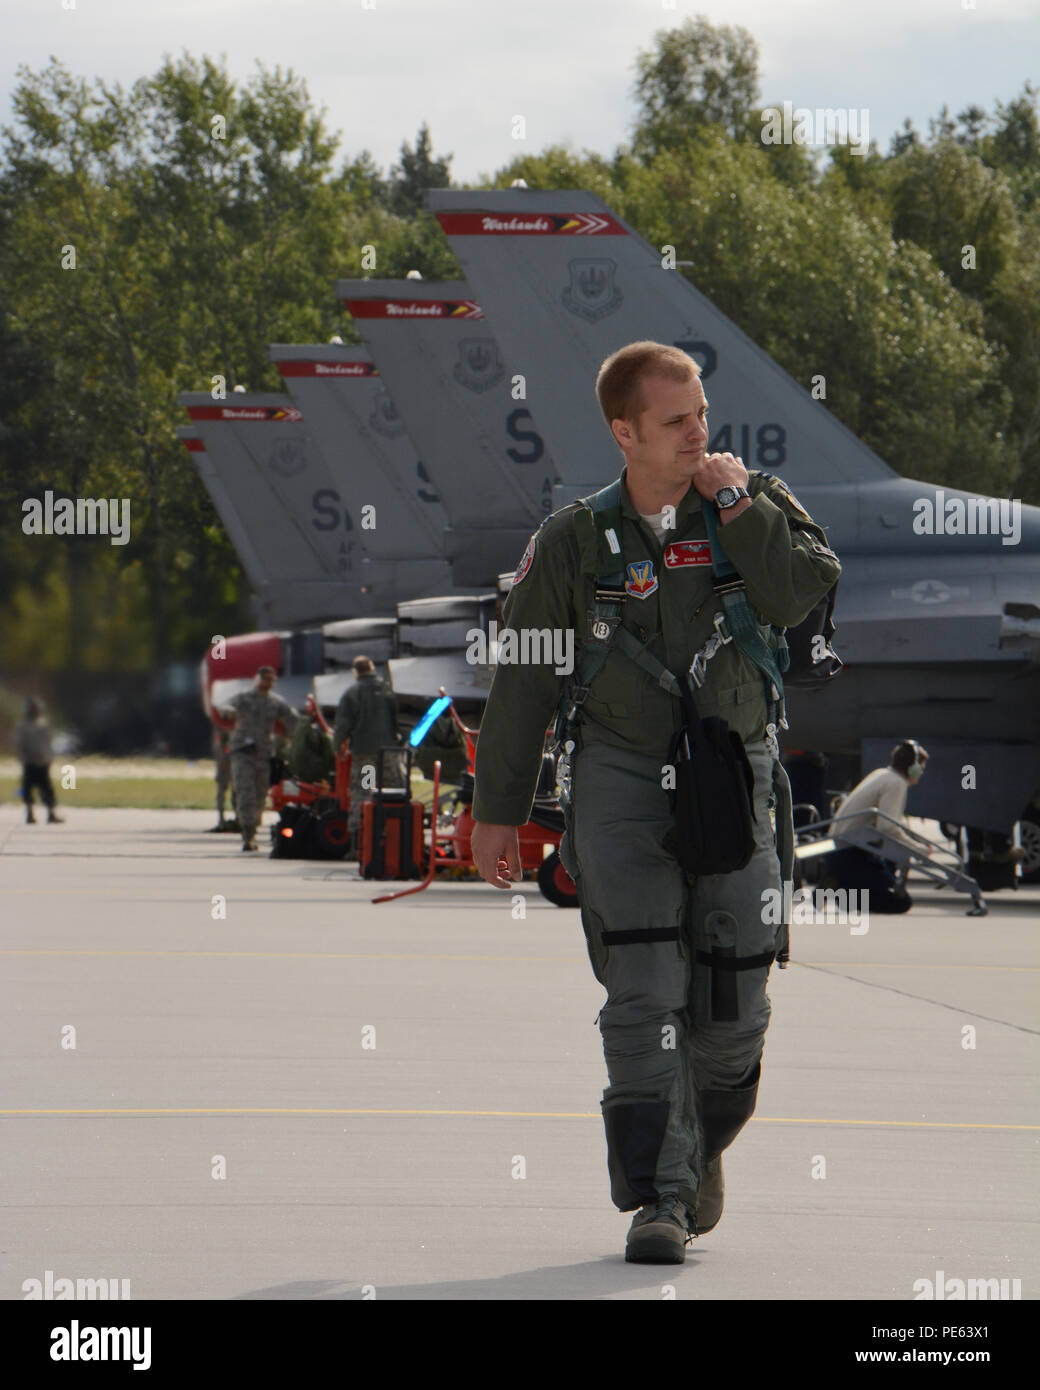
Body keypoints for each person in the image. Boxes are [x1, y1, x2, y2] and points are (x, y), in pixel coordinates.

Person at [470, 341, 841, 1264]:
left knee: (737, 999)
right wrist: (495, 811)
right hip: (620, 779)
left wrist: (734, 503)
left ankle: (696, 1146)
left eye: (701, 416)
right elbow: (521, 683)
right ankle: (659, 1199)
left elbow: (797, 597)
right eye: (676, 423)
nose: (698, 435)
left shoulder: (749, 508)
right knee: (643, 990)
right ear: (624, 432)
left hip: (734, 773)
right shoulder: (573, 543)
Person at [824, 740, 931, 913]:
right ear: (912, 767)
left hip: (838, 851)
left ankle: (839, 883)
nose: (921, 772)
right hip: (850, 855)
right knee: (902, 902)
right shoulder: (897, 783)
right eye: (921, 767)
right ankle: (840, 891)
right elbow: (887, 828)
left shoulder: (881, 774)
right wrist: (918, 849)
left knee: (886, 878)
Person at [219, 667, 299, 852]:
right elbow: (226, 705)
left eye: (272, 680)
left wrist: (295, 735)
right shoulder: (244, 698)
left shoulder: (275, 703)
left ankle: (253, 827)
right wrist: (229, 711)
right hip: (243, 752)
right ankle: (248, 835)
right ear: (257, 679)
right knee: (245, 792)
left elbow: (292, 719)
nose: (268, 683)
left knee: (261, 794)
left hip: (263, 754)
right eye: (265, 679)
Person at [333, 656, 405, 850]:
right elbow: (401, 719)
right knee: (395, 793)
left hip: (366, 757)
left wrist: (338, 745)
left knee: (365, 793)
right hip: (389, 754)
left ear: (355, 671)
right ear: (373, 668)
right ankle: (396, 840)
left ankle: (360, 844)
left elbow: (343, 724)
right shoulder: (388, 689)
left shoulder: (352, 692)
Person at [14, 697, 63, 825]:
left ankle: (51, 813)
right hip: (30, 763)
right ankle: (30, 814)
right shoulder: (23, 726)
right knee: (27, 789)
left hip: (43, 763)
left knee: (47, 789)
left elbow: (48, 743)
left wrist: (50, 758)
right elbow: (19, 744)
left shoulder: (43, 724)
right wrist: (24, 759)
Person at [289, 711, 335, 786]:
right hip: (313, 771)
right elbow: (329, 753)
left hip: (294, 770)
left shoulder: (297, 729)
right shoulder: (318, 734)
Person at [207, 726, 235, 832]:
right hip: (224, 769)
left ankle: (238, 819)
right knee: (221, 795)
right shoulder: (219, 743)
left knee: (236, 795)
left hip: (232, 768)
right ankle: (221, 819)